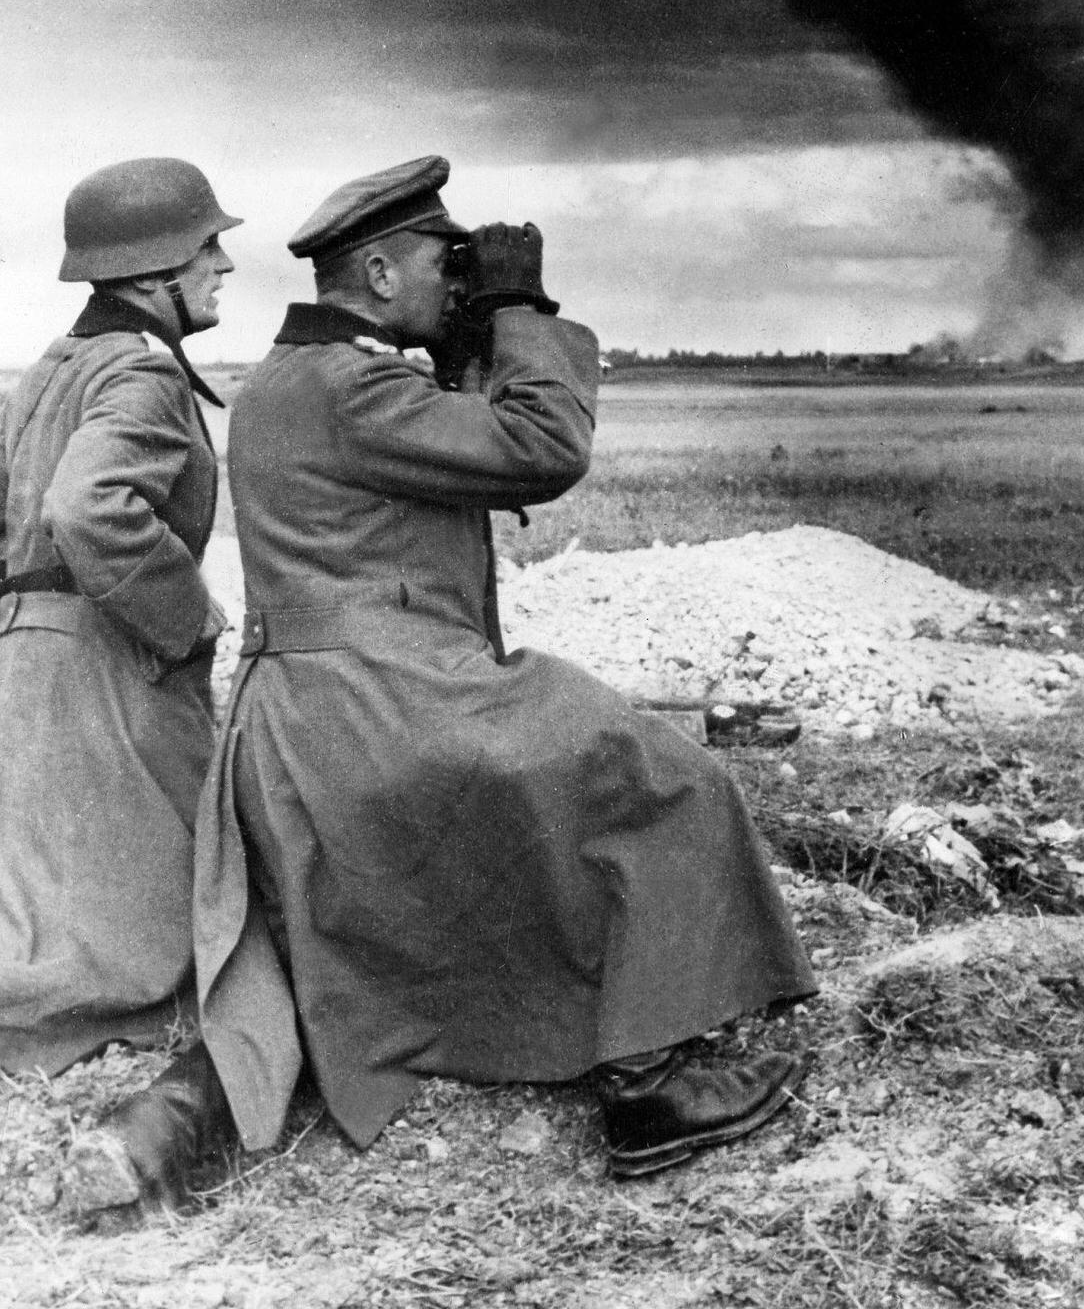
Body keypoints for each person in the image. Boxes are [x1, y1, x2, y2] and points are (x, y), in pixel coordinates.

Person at [186, 153, 815, 1186]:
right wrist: (519, 310)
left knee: (573, 756)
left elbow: (466, 449)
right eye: (447, 264)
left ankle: (615, 1026)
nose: (460, 283)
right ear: (380, 275)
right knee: (657, 779)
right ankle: (648, 1088)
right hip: (378, 705)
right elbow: (539, 447)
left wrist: (471, 338)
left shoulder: (305, 380)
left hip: (346, 704)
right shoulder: (349, 389)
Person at [0, 160, 239, 1128]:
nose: (223, 264)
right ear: (153, 273)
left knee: (49, 887)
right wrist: (189, 622)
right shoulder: (139, 368)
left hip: (27, 651)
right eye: (205, 248)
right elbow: (87, 508)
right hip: (110, 655)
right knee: (162, 906)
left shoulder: (50, 368)